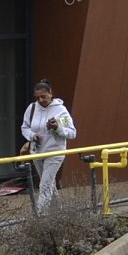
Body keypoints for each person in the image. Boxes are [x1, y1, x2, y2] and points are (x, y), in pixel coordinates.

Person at [19, 79, 77, 215]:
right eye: (37, 97)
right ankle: (58, 214)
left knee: (44, 185)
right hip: (37, 152)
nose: (40, 100)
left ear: (51, 93)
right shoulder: (32, 108)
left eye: (43, 96)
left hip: (55, 152)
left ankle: (41, 217)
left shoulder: (61, 110)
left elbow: (72, 133)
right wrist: (32, 136)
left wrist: (57, 128)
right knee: (49, 183)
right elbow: (25, 127)